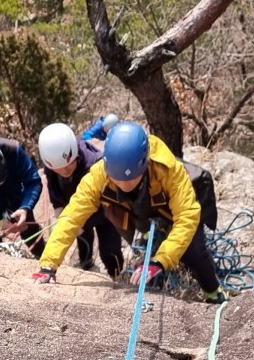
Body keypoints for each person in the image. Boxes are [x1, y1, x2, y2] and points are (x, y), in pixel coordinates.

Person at [31, 119, 225, 301]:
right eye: (118, 179)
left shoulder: (168, 170)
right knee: (145, 241)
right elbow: (72, 216)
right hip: (144, 209)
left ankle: (213, 292)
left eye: (130, 179)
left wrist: (161, 261)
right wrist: (48, 264)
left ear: (145, 163)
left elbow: (186, 216)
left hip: (175, 207)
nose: (124, 185)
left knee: (194, 252)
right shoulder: (99, 174)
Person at [37, 121, 123, 278]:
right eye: (59, 168)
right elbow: (52, 184)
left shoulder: (96, 163)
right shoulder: (53, 160)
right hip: (76, 209)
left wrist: (84, 222)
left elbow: (111, 200)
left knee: (110, 252)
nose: (65, 170)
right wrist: (58, 206)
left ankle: (116, 275)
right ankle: (86, 263)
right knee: (84, 242)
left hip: (104, 213)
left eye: (70, 164)